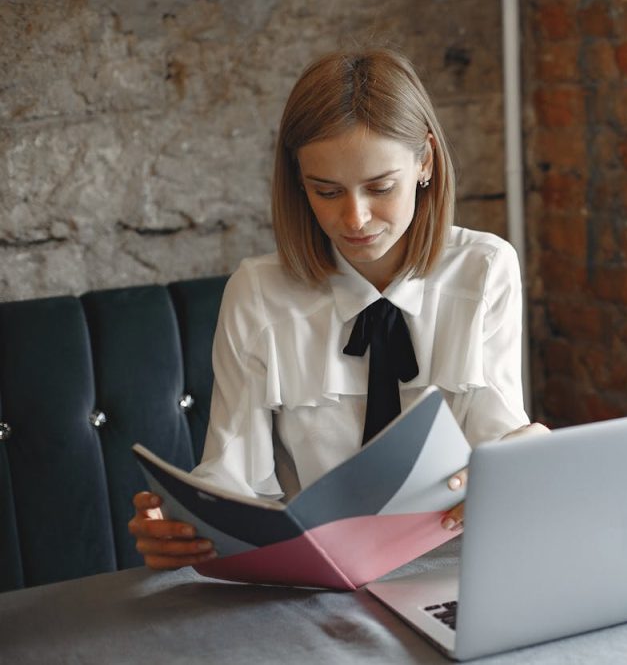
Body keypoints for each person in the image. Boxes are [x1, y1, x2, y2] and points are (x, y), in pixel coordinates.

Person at [128, 47, 544, 570]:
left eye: (380, 187)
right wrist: (185, 526)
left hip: (458, 567)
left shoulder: (485, 270)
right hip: (313, 580)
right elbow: (232, 472)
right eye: (327, 191)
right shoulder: (257, 292)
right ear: (299, 183)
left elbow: (495, 438)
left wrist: (526, 456)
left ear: (426, 162)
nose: (356, 217)